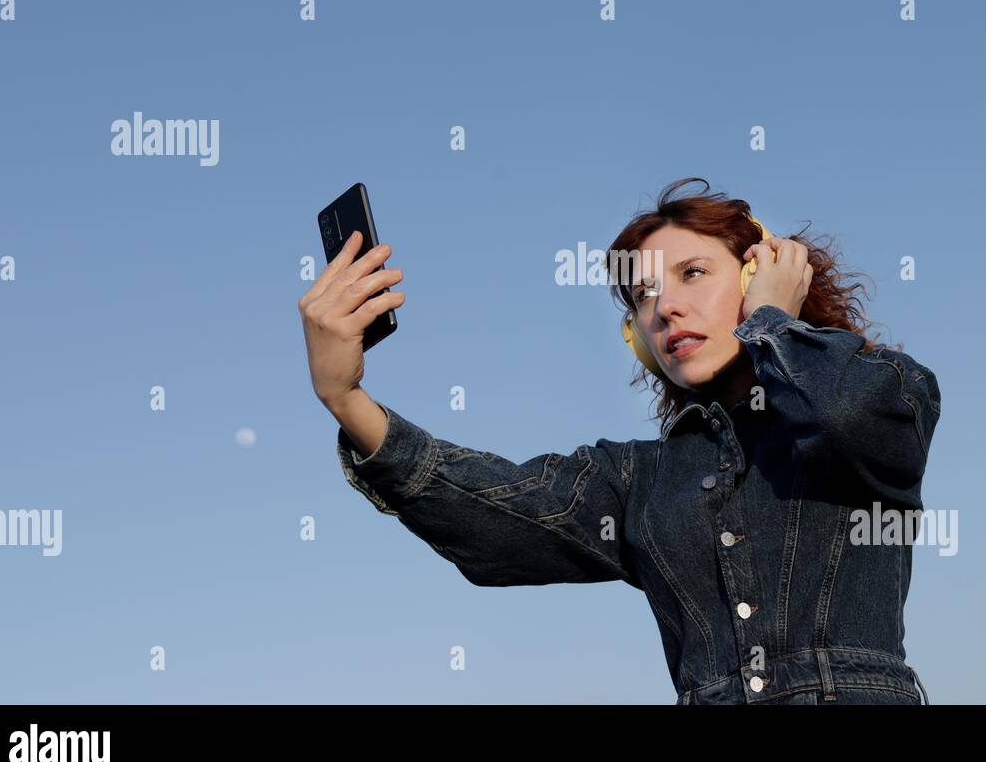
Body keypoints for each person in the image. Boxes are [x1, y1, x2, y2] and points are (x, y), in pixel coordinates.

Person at [299, 177, 942, 704]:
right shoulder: (640, 479)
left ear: (762, 275)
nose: (664, 308)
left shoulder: (889, 391)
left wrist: (773, 322)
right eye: (643, 296)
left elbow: (843, 416)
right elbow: (491, 510)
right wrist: (345, 398)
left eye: (694, 273)